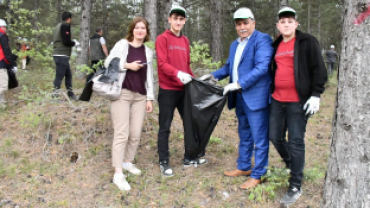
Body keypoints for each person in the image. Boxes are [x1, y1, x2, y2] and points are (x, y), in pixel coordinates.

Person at [200, 7, 273, 189]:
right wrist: (212, 76)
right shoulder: (235, 44)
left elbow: (262, 67)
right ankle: (244, 166)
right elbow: (228, 67)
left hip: (255, 96)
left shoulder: (262, 39)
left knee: (260, 137)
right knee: (244, 133)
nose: (242, 27)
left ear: (253, 23)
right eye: (238, 24)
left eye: (245, 23)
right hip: (240, 97)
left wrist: (239, 84)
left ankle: (259, 173)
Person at [269, 7, 327, 206]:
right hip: (277, 99)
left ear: (296, 24)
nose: (286, 24)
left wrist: (316, 94)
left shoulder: (307, 41)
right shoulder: (276, 44)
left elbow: (319, 67)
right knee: (274, 136)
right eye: (282, 21)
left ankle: (295, 185)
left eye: (290, 21)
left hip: (298, 101)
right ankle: (291, 164)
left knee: (295, 141)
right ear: (278, 25)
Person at [156, 5, 206, 177]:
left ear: (184, 21)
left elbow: (186, 66)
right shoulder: (162, 39)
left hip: (184, 90)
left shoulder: (185, 41)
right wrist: (177, 73)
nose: (178, 22)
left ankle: (189, 156)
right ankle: (164, 161)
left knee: (190, 124)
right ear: (169, 19)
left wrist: (196, 79)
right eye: (175, 18)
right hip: (168, 90)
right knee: (165, 126)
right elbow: (162, 64)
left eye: (181, 19)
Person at [105, 16, 154, 191]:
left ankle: (127, 162)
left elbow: (149, 76)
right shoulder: (122, 45)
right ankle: (118, 174)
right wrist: (127, 65)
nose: (140, 30)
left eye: (143, 28)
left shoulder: (148, 51)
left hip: (140, 96)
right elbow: (108, 63)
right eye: (137, 27)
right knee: (122, 133)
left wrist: (150, 98)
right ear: (132, 30)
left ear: (147, 31)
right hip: (122, 94)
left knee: (134, 134)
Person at [51, 11, 80, 100]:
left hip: (58, 53)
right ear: (69, 18)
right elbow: (66, 41)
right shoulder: (65, 26)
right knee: (59, 76)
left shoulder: (57, 27)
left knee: (68, 75)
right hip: (62, 54)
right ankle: (54, 97)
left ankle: (71, 95)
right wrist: (74, 43)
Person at [0, 19, 17, 109]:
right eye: (5, 27)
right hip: (1, 63)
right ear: (2, 27)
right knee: (3, 85)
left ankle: (2, 105)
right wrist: (12, 64)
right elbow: (6, 51)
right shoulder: (2, 36)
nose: (6, 29)